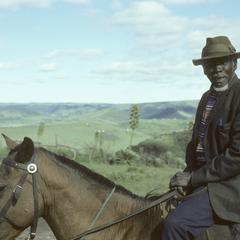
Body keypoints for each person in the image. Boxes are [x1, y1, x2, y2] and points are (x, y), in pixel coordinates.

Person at [161, 36, 240, 240]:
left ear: (235, 63)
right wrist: (187, 173)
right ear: (204, 69)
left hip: (230, 186)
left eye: (223, 62)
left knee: (175, 224)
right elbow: (197, 144)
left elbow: (236, 158)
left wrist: (193, 178)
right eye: (211, 64)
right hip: (205, 178)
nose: (217, 69)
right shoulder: (207, 98)